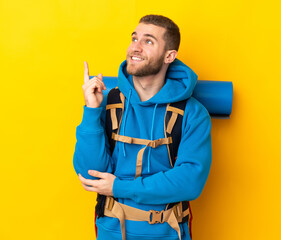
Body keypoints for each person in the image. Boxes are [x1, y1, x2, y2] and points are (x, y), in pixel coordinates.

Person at [73, 14, 212, 240]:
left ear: (169, 55)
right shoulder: (107, 103)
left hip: (168, 232)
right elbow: (90, 174)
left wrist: (119, 188)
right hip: (111, 231)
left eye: (148, 41)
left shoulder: (193, 113)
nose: (135, 48)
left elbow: (190, 182)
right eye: (134, 38)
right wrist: (91, 111)